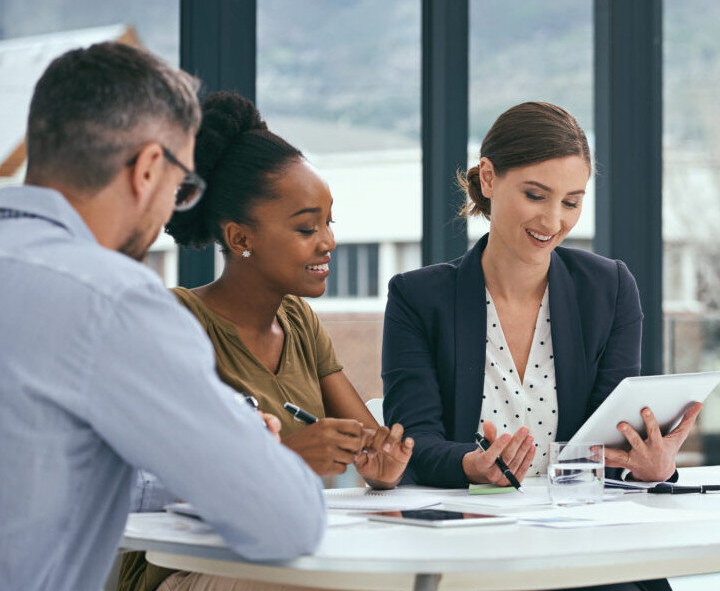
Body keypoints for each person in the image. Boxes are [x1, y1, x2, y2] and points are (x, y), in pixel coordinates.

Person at [0, 42, 325, 591]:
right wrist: (246, 450)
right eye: (182, 188)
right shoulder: (113, 299)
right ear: (150, 168)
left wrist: (197, 458)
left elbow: (35, 473)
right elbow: (289, 522)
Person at [381, 102, 702, 591]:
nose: (553, 220)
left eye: (572, 202)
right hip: (471, 546)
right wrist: (471, 465)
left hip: (585, 548)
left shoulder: (609, 288)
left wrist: (651, 467)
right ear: (488, 178)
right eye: (536, 195)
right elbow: (415, 442)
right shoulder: (418, 298)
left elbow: (610, 438)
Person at [118, 91, 413, 591]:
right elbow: (157, 484)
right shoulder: (176, 322)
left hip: (287, 559)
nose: (328, 241)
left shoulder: (299, 322)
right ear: (240, 239)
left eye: (328, 222)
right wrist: (290, 456)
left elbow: (369, 446)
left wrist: (382, 467)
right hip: (188, 569)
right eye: (306, 226)